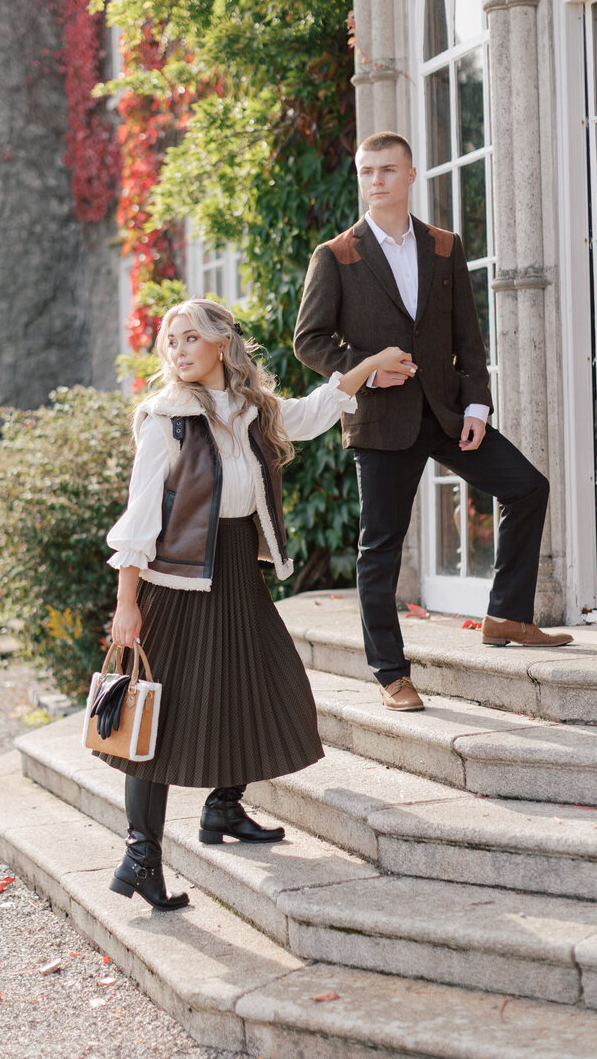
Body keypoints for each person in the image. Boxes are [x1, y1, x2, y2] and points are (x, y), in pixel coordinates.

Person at [100, 297, 412, 910]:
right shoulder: (165, 417)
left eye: (191, 338)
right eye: (172, 341)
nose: (180, 350)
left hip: (240, 569)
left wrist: (368, 364)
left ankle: (222, 808)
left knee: (259, 682)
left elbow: (315, 411)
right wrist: (127, 603)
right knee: (160, 722)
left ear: (221, 343)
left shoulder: (251, 409)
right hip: (176, 580)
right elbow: (138, 518)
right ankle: (141, 855)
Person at [293, 131, 572, 714]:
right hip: (381, 422)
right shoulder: (337, 254)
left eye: (387, 170)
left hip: (446, 414)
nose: (375, 180)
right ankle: (391, 672)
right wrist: (366, 369)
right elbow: (309, 342)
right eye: (367, 171)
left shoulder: (444, 246)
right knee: (382, 550)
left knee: (527, 488)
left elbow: (467, 335)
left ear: (411, 174)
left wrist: (476, 404)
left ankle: (506, 616)